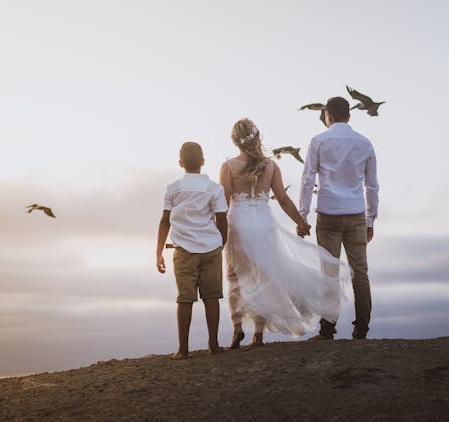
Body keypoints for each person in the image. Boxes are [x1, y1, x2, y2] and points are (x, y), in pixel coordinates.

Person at [220, 118, 350, 348]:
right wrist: (301, 222)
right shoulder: (270, 166)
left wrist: (213, 231)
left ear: (234, 140)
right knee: (263, 276)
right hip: (263, 223)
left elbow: (223, 201)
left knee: (234, 277)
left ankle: (237, 329)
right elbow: (282, 198)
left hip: (238, 223)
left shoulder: (228, 166)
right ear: (257, 137)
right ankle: (257, 334)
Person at [299, 96, 379, 340]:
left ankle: (327, 329)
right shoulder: (365, 143)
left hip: (329, 214)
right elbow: (372, 186)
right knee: (360, 272)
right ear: (350, 115)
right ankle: (362, 329)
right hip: (355, 215)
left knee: (329, 272)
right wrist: (370, 220)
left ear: (328, 115)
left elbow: (307, 180)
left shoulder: (318, 141)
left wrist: (302, 215)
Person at [156, 142, 228, 359]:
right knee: (212, 297)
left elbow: (165, 221)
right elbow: (222, 219)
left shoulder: (173, 189)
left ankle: (183, 349)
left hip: (184, 250)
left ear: (180, 163)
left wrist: (158, 251)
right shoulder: (215, 188)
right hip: (211, 249)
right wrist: (221, 243)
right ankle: (214, 345)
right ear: (203, 162)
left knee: (185, 299)